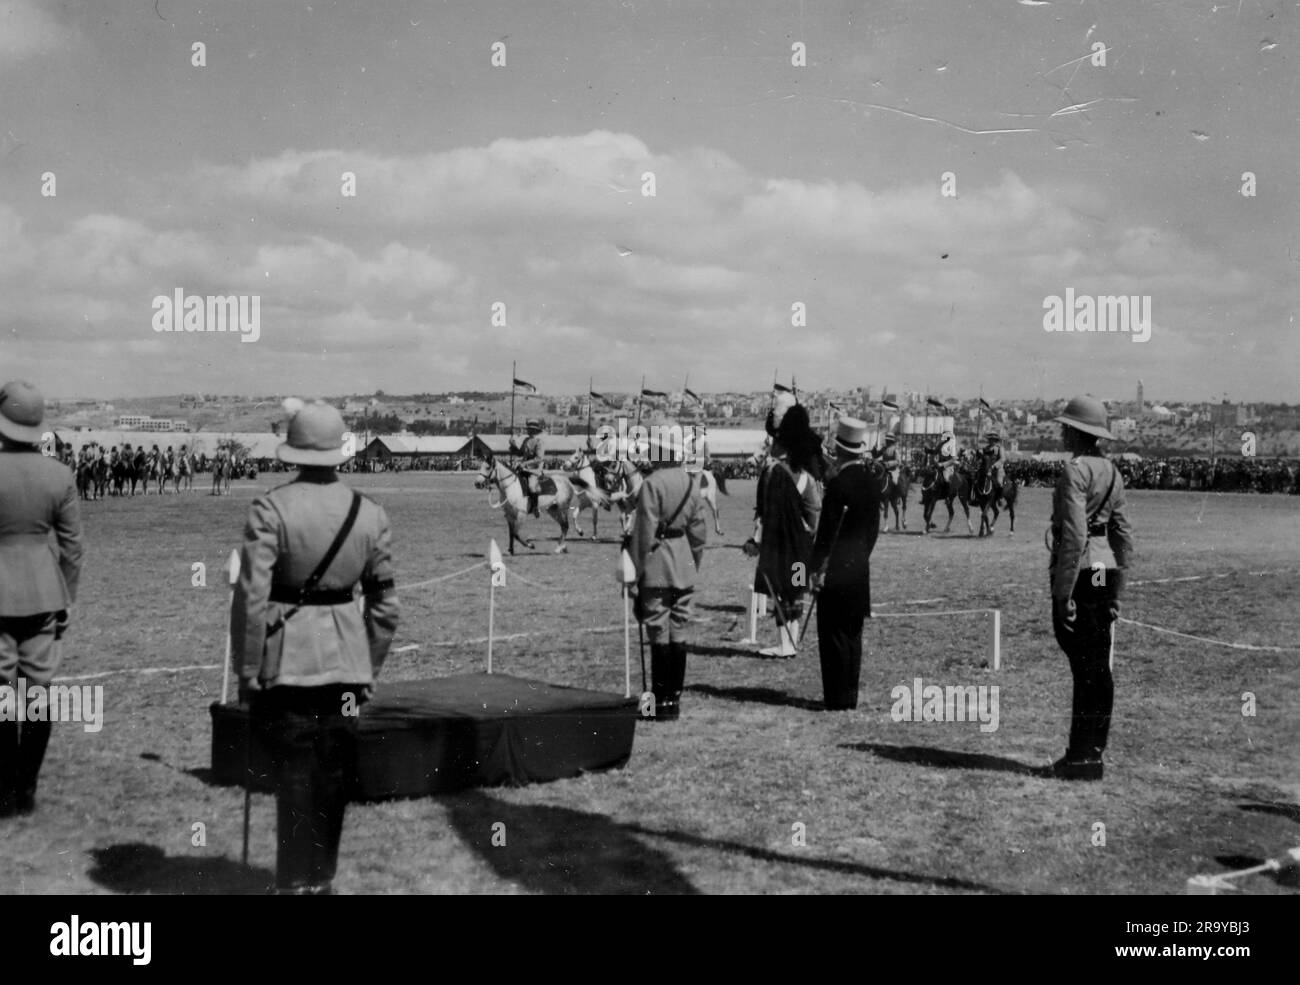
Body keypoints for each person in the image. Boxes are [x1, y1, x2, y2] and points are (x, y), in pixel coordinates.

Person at [231, 399, 400, 893]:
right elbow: (386, 609)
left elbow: (252, 599)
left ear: (293, 452)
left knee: (294, 776)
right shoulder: (370, 514)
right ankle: (321, 879)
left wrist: (248, 670)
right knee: (333, 776)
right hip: (348, 671)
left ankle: (291, 882)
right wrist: (367, 668)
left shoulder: (270, 508)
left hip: (287, 666)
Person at [0, 381, 83, 817]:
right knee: (37, 695)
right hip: (45, 594)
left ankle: (4, 788)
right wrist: (66, 598)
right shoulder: (60, 475)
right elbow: (73, 548)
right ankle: (25, 788)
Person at [1046, 395, 1134, 781]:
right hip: (1103, 569)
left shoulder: (1075, 471)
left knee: (1085, 667)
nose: (1063, 432)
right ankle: (1094, 750)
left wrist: (1062, 594)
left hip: (1082, 571)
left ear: (1076, 432)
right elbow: (1123, 534)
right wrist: (1118, 589)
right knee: (1098, 665)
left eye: (1066, 427)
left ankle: (1080, 756)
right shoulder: (1112, 471)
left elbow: (1075, 535)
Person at [628, 428, 707, 721]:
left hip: (658, 563)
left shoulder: (652, 484)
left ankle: (659, 702)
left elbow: (644, 532)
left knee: (658, 628)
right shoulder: (691, 482)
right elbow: (699, 533)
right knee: (679, 628)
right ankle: (673, 699)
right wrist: (692, 563)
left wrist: (634, 572)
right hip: (684, 561)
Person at [809, 418, 881, 710]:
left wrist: (814, 570)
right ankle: (849, 696)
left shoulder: (837, 485)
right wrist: (861, 556)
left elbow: (825, 534)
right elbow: (873, 532)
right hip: (859, 568)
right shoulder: (872, 483)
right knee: (853, 636)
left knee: (833, 635)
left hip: (835, 571)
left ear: (838, 451)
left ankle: (837, 699)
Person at [745, 403, 822, 657]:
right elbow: (814, 512)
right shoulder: (807, 479)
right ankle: (793, 640)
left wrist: (755, 540)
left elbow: (764, 512)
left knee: (780, 591)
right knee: (797, 590)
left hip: (778, 548)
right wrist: (806, 533)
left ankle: (784, 644)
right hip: (800, 548)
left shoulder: (771, 472)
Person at [509, 419, 545, 517]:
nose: (528, 431)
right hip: (523, 468)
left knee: (531, 487)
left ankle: (535, 507)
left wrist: (524, 464)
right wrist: (513, 446)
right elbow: (521, 454)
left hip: (534, 469)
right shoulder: (526, 440)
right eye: (528, 429)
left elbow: (539, 459)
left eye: (531, 429)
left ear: (535, 430)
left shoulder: (539, 442)